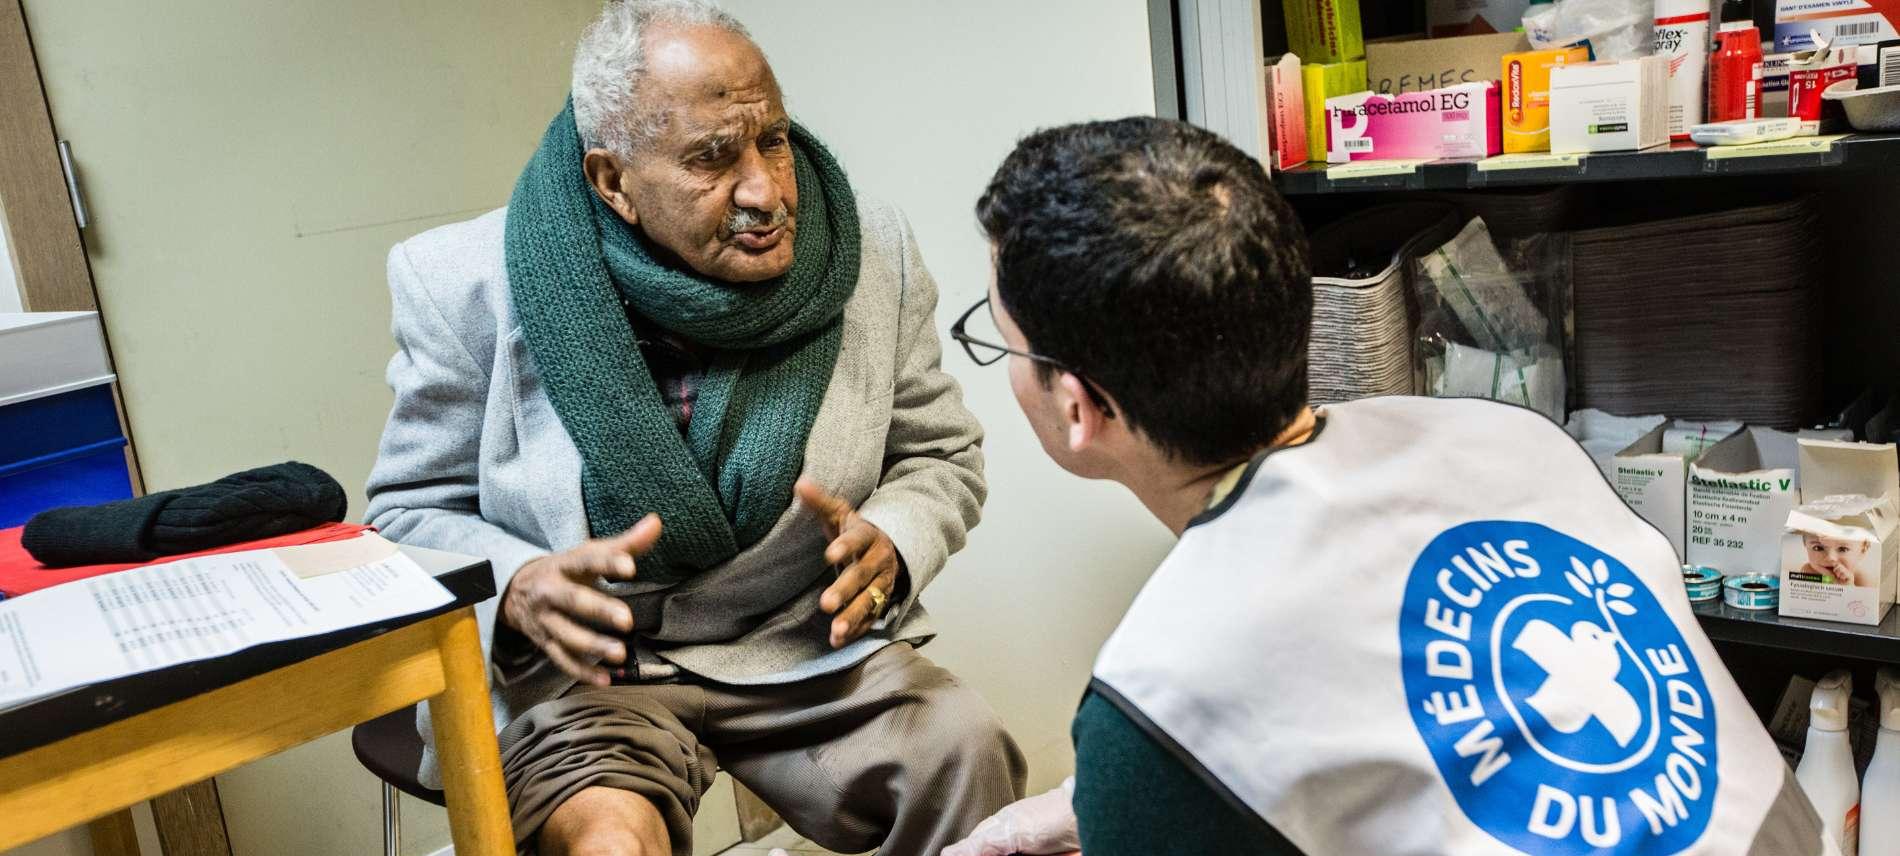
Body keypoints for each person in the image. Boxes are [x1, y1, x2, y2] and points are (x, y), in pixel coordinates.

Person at [944, 117, 1828, 856]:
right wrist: (1102, 805)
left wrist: (1134, 798)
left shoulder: (1162, 690)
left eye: (1003, 339)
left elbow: (1216, 725)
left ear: (1078, 406)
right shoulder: (1506, 437)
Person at [364, 2, 1025, 854]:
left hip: (800, 647)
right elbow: (405, 516)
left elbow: (939, 452)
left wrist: (894, 542)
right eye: (712, 158)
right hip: (591, 674)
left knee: (969, 757)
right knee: (610, 843)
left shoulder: (870, 250)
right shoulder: (461, 282)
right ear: (613, 181)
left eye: (773, 140)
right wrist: (517, 587)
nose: (765, 191)